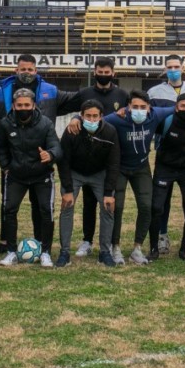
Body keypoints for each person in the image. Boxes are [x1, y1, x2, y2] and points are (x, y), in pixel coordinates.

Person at [0, 54, 77, 254]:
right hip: (13, 156)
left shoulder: (50, 91)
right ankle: (5, 242)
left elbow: (75, 100)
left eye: (30, 69)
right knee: (8, 204)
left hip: (40, 158)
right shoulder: (2, 91)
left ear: (36, 71)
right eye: (23, 69)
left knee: (40, 204)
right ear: (16, 70)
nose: (27, 73)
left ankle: (40, 241)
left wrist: (78, 115)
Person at [63, 57, 128, 259]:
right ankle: (84, 242)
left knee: (107, 204)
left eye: (107, 71)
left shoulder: (121, 95)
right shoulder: (84, 94)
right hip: (79, 163)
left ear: (113, 73)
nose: (103, 74)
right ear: (95, 71)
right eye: (100, 70)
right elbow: (68, 108)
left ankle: (106, 249)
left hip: (104, 158)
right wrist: (75, 118)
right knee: (83, 205)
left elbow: (136, 110)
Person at [102, 90, 176, 265]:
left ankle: (137, 248)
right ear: (128, 107)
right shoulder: (116, 118)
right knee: (116, 207)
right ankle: (115, 247)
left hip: (141, 167)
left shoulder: (155, 114)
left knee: (146, 206)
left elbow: (179, 107)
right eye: (135, 107)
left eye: (143, 107)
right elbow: (95, 119)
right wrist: (75, 120)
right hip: (120, 168)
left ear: (149, 107)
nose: (139, 110)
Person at [0, 89, 63, 267]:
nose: (23, 108)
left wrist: (50, 155)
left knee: (45, 211)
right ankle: (11, 251)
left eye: (27, 105)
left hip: (42, 175)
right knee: (9, 210)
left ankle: (46, 252)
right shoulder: (5, 124)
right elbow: (0, 147)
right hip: (16, 176)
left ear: (33, 105)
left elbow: (56, 146)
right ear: (13, 106)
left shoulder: (45, 123)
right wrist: (6, 167)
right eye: (19, 105)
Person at [147, 55, 185, 254]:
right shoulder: (154, 91)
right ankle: (161, 237)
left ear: (183, 67)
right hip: (166, 156)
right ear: (165, 69)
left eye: (176, 66)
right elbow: (150, 117)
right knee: (161, 204)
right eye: (169, 67)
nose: (173, 70)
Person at [57, 100, 120, 267]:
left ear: (101, 117)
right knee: (67, 205)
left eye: (95, 116)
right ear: (81, 116)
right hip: (75, 173)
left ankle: (105, 252)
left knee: (108, 207)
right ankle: (64, 252)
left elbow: (114, 163)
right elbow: (63, 161)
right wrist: (68, 189)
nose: (91, 120)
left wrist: (109, 192)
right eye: (88, 116)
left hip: (99, 174)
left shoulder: (110, 131)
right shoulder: (72, 130)